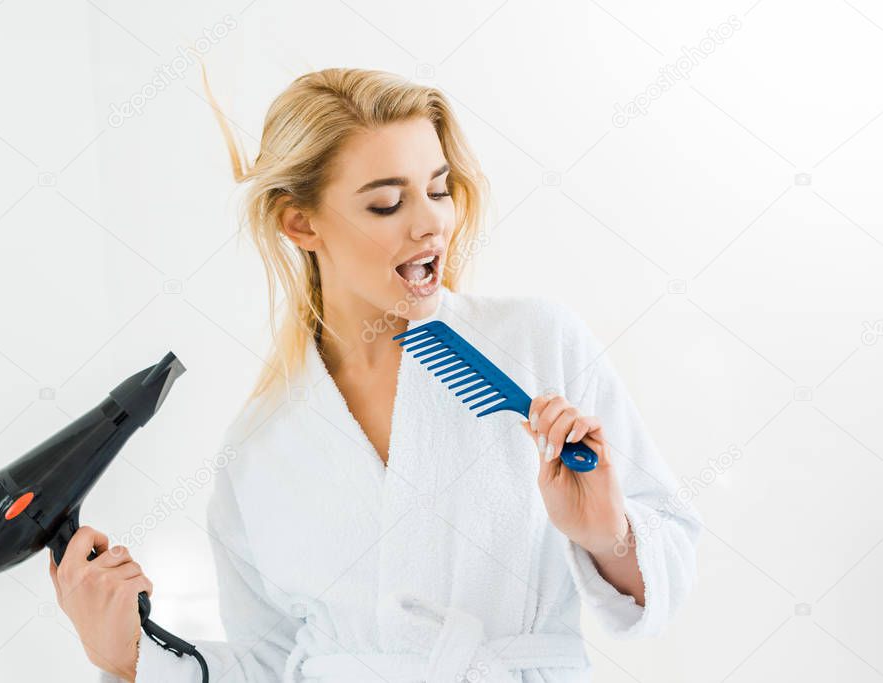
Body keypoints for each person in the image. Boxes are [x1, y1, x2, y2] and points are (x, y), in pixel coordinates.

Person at [49, 67, 701, 683]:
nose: (430, 222)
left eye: (438, 188)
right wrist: (131, 658)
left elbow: (670, 555)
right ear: (300, 222)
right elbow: (274, 662)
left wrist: (607, 534)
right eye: (386, 203)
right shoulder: (260, 444)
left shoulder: (535, 344)